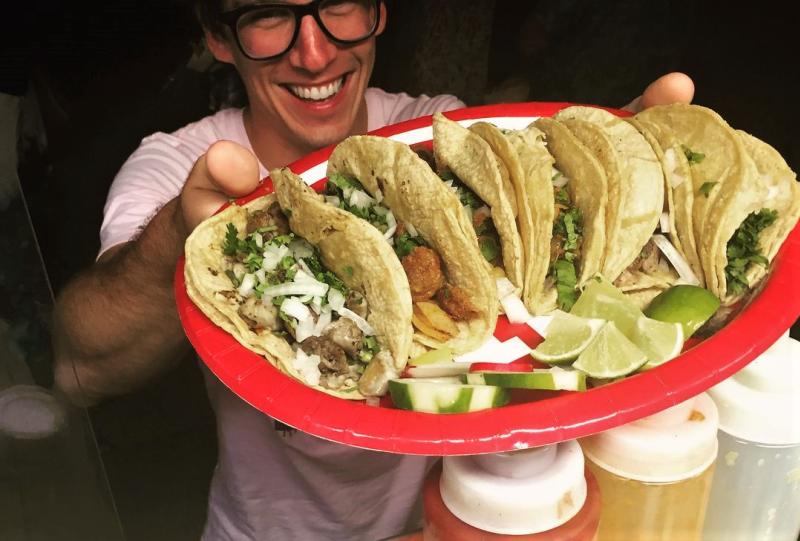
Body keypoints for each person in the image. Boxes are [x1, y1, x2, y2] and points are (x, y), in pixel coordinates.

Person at [51, 1, 695, 539]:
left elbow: (524, 353)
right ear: (219, 37)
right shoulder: (174, 164)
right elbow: (82, 370)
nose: (313, 52)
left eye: (340, 5)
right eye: (270, 15)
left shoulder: (439, 130)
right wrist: (181, 236)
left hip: (447, 523)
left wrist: (608, 204)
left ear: (380, 12)